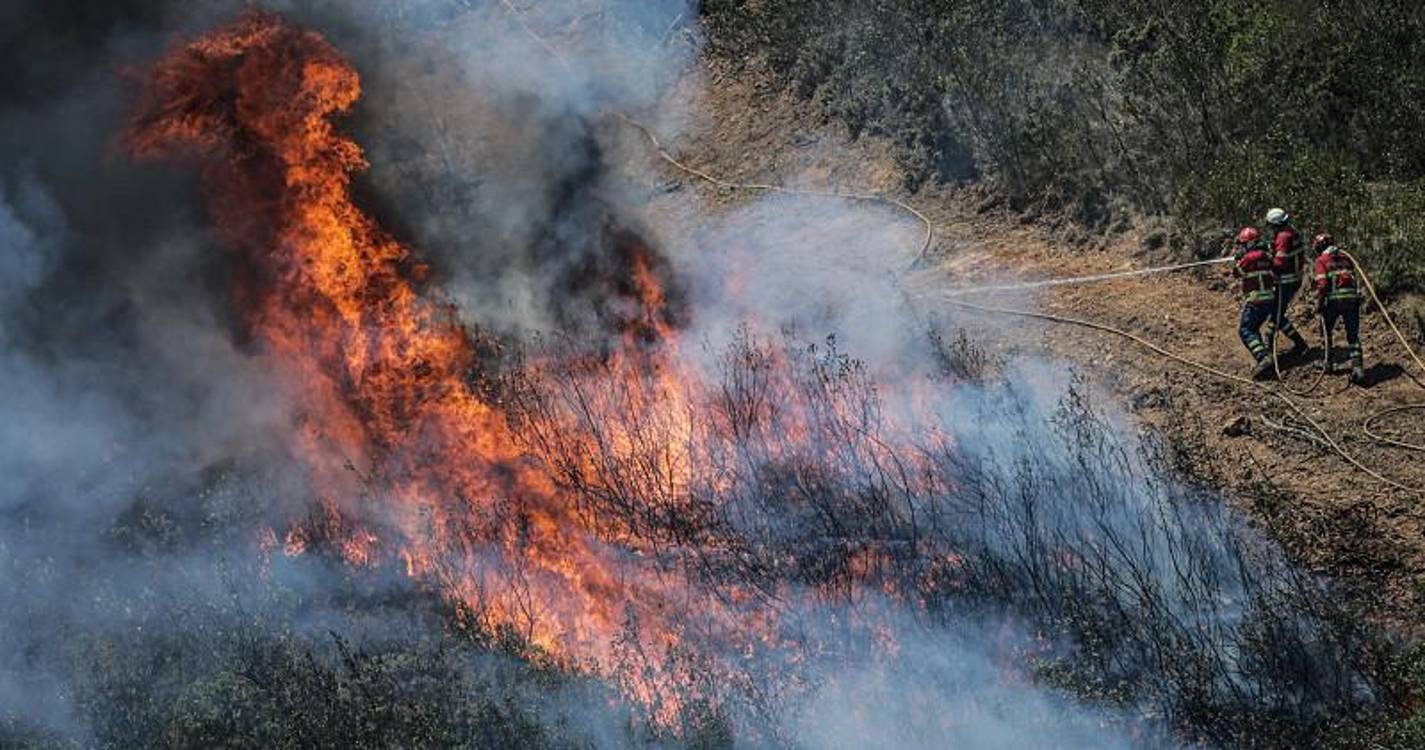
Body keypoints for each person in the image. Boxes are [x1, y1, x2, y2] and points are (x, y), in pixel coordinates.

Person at [1312, 233, 1366, 384]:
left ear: (1319, 247)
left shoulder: (1321, 261)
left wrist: (1319, 303)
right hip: (1352, 301)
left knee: (1326, 330)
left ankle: (1327, 363)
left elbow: (1322, 285)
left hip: (1334, 301)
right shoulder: (1347, 259)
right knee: (1353, 334)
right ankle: (1358, 368)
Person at [1230, 226, 1279, 379]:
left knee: (1245, 330)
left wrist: (1238, 259)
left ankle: (1263, 357)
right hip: (1270, 298)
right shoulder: (1267, 255)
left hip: (1256, 300)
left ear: (1250, 243)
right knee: (1255, 328)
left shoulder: (1249, 258)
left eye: (1244, 244)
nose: (1243, 246)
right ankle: (1265, 356)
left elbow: (1237, 273)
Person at [1262, 208, 1310, 357]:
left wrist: (1263, 259)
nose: (1269, 229)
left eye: (1270, 225)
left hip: (1286, 282)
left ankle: (1270, 347)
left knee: (1276, 315)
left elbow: (1279, 263)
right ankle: (1298, 343)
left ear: (1275, 225)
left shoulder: (1283, 237)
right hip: (1293, 280)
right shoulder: (1291, 233)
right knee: (1277, 314)